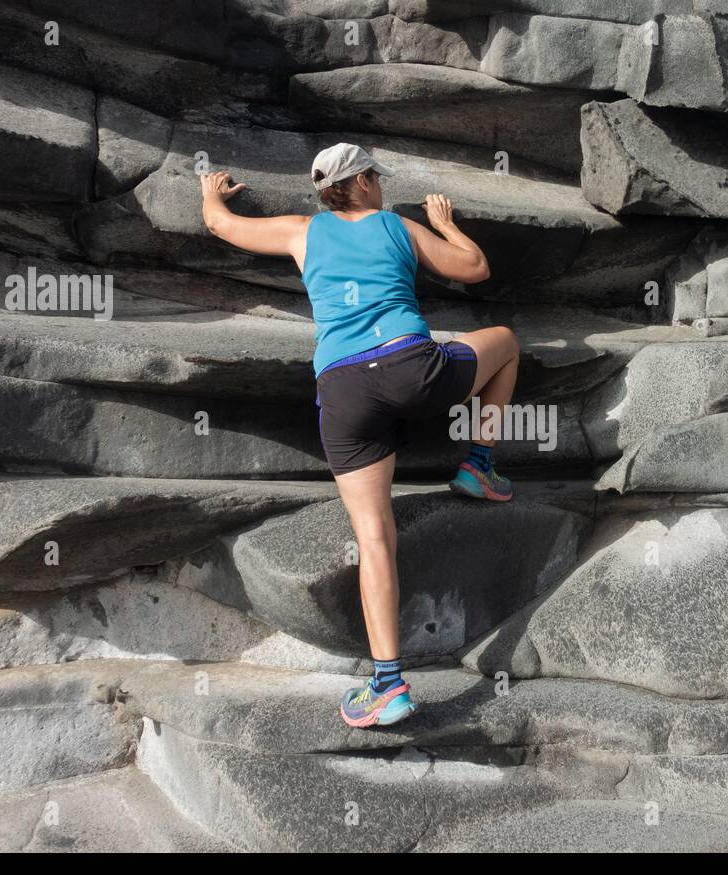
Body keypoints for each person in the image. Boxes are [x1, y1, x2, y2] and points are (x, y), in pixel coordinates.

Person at [199, 143, 520, 728]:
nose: (381, 187)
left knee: (375, 539)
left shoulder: (301, 231)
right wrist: (445, 225)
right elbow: (475, 268)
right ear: (365, 181)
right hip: (415, 369)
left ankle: (388, 686)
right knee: (505, 342)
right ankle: (478, 464)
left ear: (325, 190)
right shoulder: (400, 226)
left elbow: (220, 225)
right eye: (377, 178)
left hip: (345, 391)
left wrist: (208, 193)